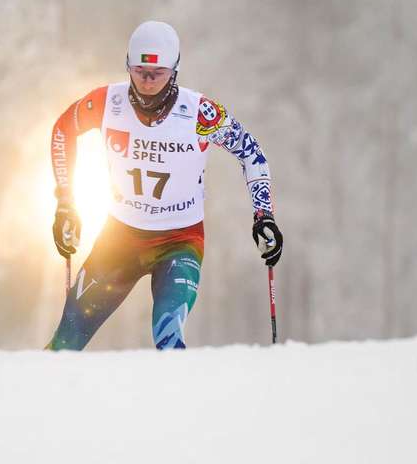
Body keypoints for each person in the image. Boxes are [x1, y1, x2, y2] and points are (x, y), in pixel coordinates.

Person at [46, 21, 282, 350]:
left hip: (179, 241)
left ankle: (179, 399)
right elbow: (62, 131)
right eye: (139, 71)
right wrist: (66, 203)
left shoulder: (201, 113)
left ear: (174, 70)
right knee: (65, 340)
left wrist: (264, 215)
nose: (146, 82)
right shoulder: (106, 102)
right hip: (119, 241)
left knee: (168, 333)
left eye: (157, 73)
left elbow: (251, 153)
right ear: (128, 66)